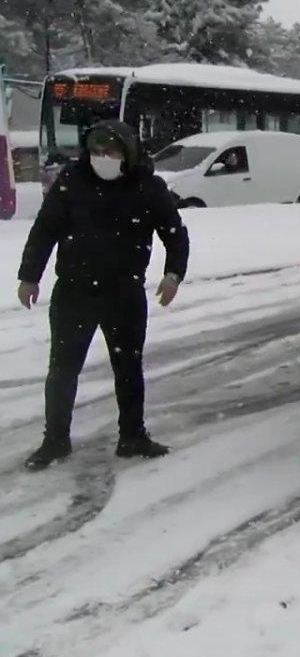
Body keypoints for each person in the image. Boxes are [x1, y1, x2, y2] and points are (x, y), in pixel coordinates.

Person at [18, 119, 190, 470]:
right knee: (62, 370)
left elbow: (175, 234)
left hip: (124, 292)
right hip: (74, 292)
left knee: (128, 367)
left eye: (110, 151)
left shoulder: (147, 186)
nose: (102, 157)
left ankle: (132, 436)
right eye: (96, 151)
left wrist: (173, 274)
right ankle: (55, 440)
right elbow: (44, 230)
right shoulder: (72, 181)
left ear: (127, 153)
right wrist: (29, 277)